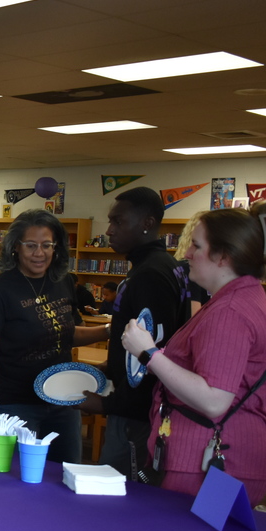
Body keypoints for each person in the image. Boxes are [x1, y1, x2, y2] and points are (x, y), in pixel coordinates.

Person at [121, 201, 266, 504]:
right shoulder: (240, 297)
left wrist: (148, 354)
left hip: (211, 464)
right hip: (213, 458)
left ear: (223, 256)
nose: (186, 254)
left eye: (196, 245)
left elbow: (214, 399)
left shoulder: (230, 311)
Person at [0, 210, 109, 463]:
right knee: (18, 480)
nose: (39, 253)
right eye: (30, 245)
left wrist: (109, 331)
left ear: (57, 248)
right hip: (16, 404)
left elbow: (63, 333)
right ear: (15, 248)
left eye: (46, 245)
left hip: (64, 399)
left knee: (66, 474)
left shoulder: (63, 282)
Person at [79, 187, 191, 478]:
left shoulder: (151, 274)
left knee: (121, 491)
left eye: (118, 221)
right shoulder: (157, 266)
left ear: (147, 223)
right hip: (134, 406)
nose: (109, 230)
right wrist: (108, 369)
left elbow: (153, 354)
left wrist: (106, 404)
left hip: (137, 414)